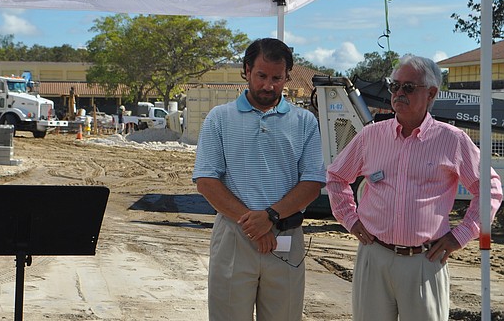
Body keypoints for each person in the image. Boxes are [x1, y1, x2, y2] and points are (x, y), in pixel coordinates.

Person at [326, 54, 503, 321]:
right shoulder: (371, 136)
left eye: (408, 87)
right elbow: (336, 177)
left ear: (431, 93)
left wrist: (462, 234)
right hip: (375, 256)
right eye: (394, 85)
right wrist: (350, 220)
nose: (398, 93)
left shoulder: (452, 140)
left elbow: (489, 188)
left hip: (425, 260)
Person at [192, 38, 326, 321]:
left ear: (287, 75)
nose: (268, 86)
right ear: (246, 71)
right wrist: (256, 225)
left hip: (286, 237)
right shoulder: (219, 118)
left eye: (277, 78)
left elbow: (313, 182)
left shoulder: (305, 122)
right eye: (261, 76)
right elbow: (206, 180)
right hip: (234, 236)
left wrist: (271, 216)